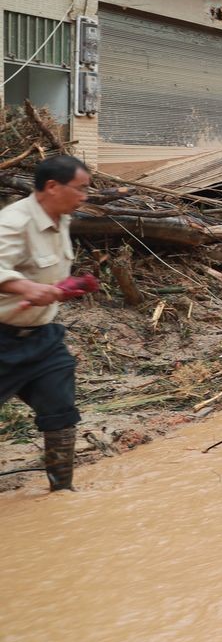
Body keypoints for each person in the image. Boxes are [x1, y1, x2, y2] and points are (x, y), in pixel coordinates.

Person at [0, 155, 91, 492]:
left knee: (61, 410)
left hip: (42, 338)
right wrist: (26, 287)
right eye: (80, 189)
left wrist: (60, 289)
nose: (85, 197)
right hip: (2, 338)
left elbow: (48, 275)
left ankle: (62, 492)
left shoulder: (61, 218)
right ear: (52, 187)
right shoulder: (13, 222)